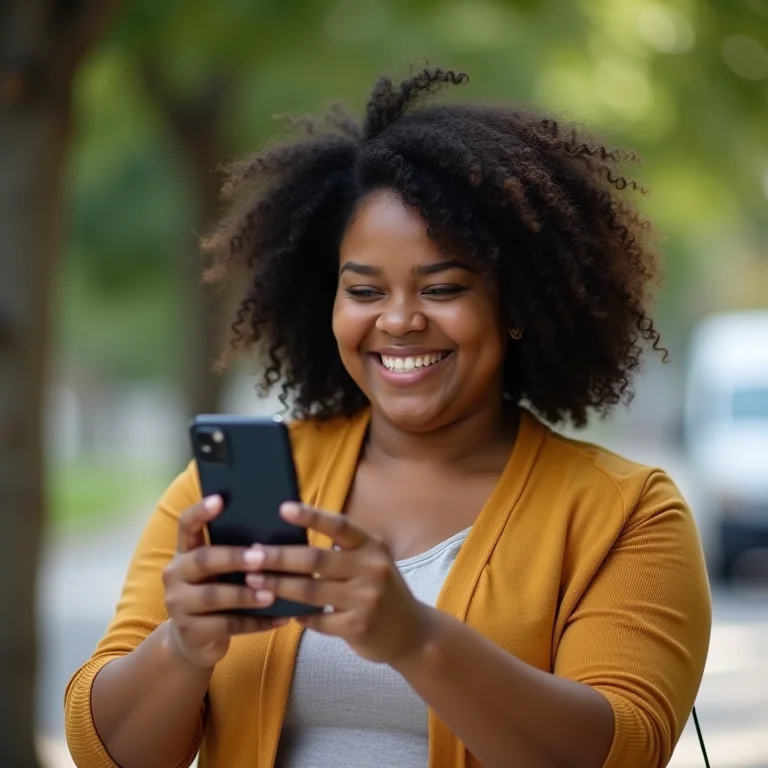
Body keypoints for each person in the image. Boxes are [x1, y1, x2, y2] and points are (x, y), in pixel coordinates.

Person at [65, 68, 712, 768]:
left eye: (442, 288)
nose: (399, 321)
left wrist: (417, 640)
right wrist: (182, 647)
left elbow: (625, 750)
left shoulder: (627, 513)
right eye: (365, 289)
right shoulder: (221, 491)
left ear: (518, 303)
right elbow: (108, 752)